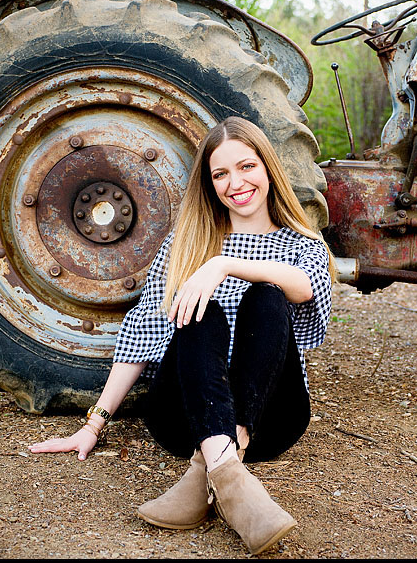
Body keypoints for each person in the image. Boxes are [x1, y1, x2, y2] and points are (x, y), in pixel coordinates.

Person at [29, 116, 334, 555]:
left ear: (268, 168)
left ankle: (210, 469)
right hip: (183, 417)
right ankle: (231, 479)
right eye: (220, 174)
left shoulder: (301, 244)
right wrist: (94, 424)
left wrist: (223, 265)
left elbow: (303, 288)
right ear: (210, 185)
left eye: (247, 167)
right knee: (200, 310)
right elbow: (142, 331)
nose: (236, 182)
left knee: (268, 296)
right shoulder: (187, 243)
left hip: (271, 417)